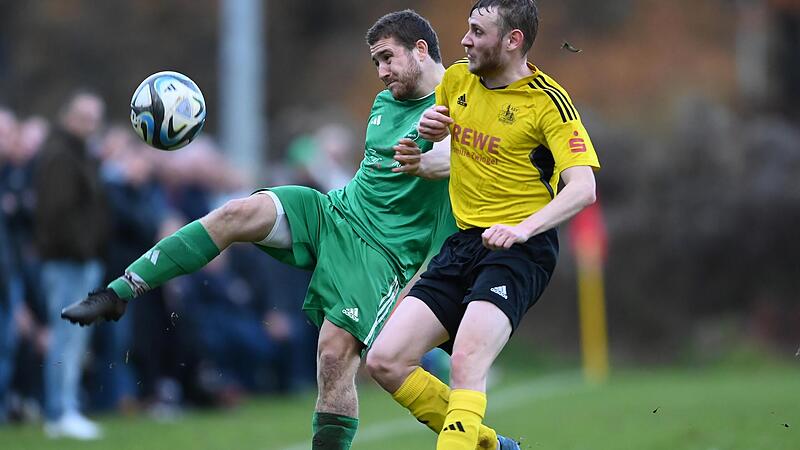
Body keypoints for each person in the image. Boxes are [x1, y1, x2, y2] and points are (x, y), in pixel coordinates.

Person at [60, 10, 512, 450]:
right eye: (375, 61)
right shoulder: (383, 104)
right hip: (333, 212)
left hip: (383, 254)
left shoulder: (463, 100)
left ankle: (485, 443)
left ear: (420, 49)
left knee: (334, 359)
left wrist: (439, 161)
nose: (380, 72)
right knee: (237, 213)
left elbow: (459, 157)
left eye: (387, 58)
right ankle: (120, 291)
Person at [366, 1, 601, 449]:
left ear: (512, 40)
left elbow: (583, 188)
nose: (464, 40)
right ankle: (491, 446)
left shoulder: (547, 102)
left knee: (467, 362)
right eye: (467, 29)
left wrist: (523, 228)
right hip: (464, 243)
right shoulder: (456, 80)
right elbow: (454, 157)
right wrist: (425, 150)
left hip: (520, 250)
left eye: (477, 31)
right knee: (386, 361)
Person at [34, 91, 109, 440]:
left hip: (82, 261)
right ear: (68, 116)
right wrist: (82, 249)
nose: (90, 124)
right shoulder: (60, 156)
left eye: (95, 118)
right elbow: (56, 214)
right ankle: (58, 411)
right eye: (84, 116)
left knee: (75, 343)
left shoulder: (81, 154)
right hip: (67, 262)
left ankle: (67, 407)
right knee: (64, 340)